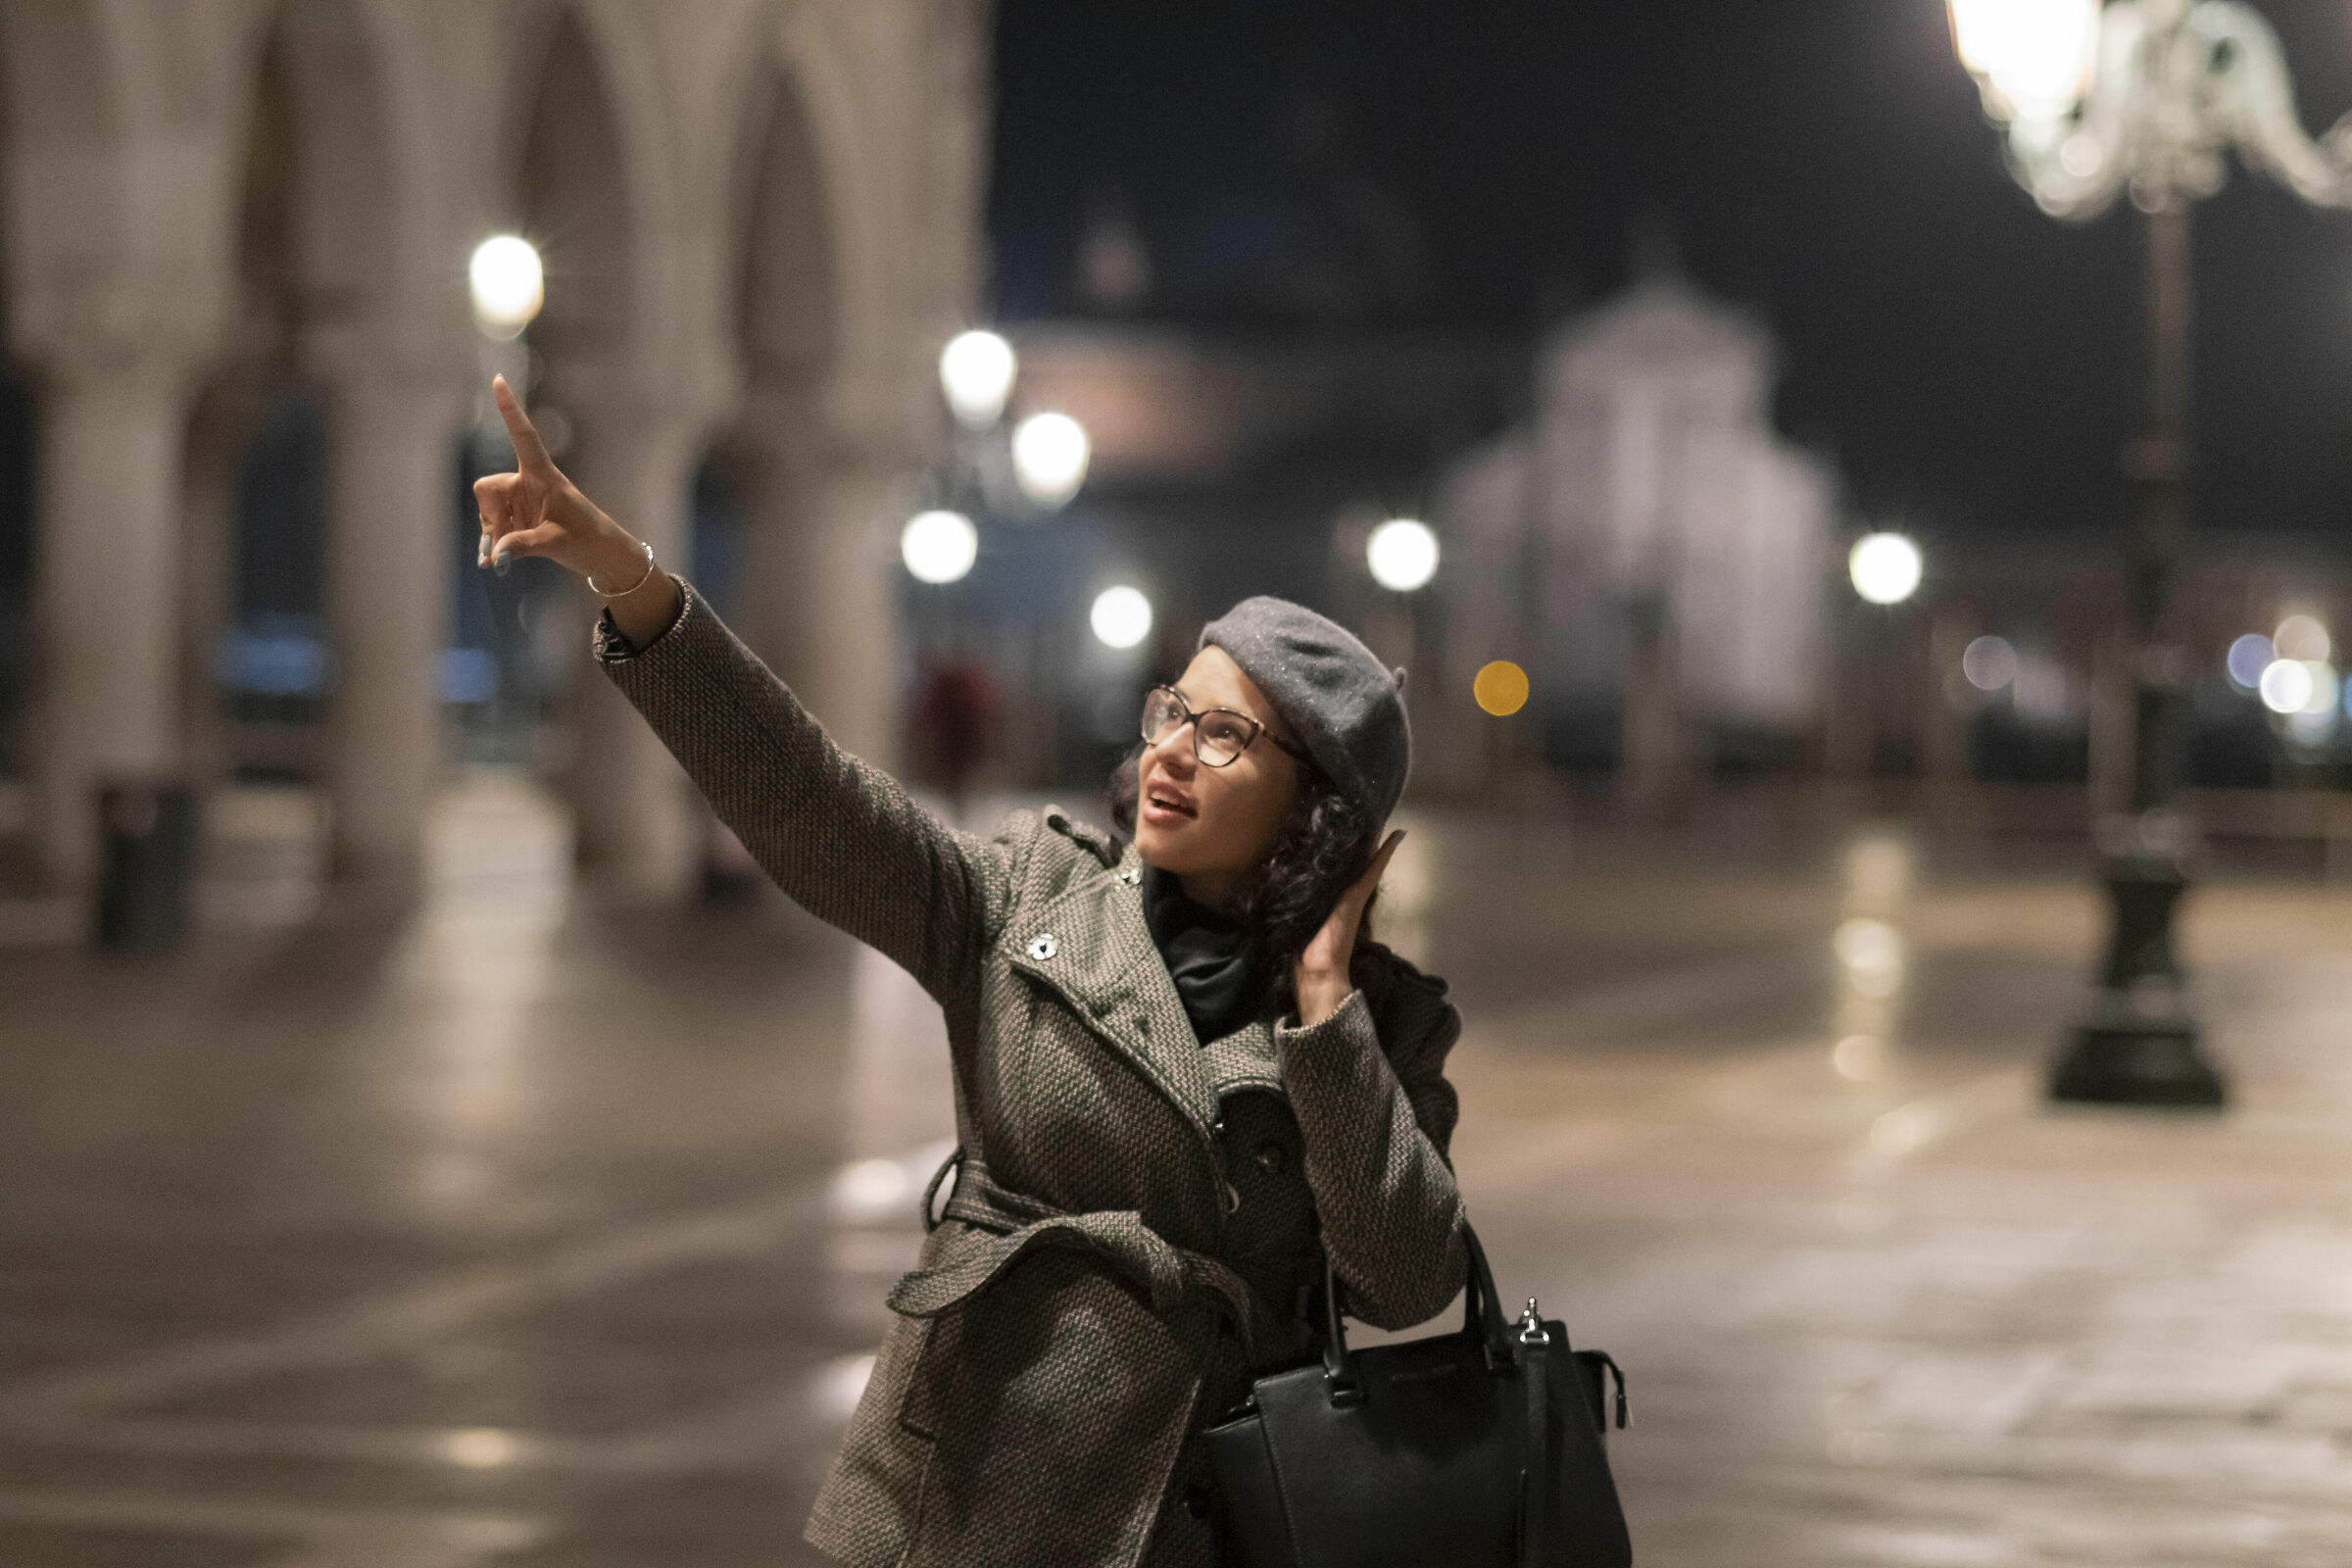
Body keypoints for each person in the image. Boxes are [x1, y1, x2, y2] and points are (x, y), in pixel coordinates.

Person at [472, 376, 1467, 1567]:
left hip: (1204, 1524)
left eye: (1226, 736)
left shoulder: (1379, 1031)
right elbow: (809, 801)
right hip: (964, 1499)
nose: (1171, 754)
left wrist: (1323, 1009)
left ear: (1316, 810)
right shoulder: (1027, 902)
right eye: (1172, 713)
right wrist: (626, 575)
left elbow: (1407, 1281)